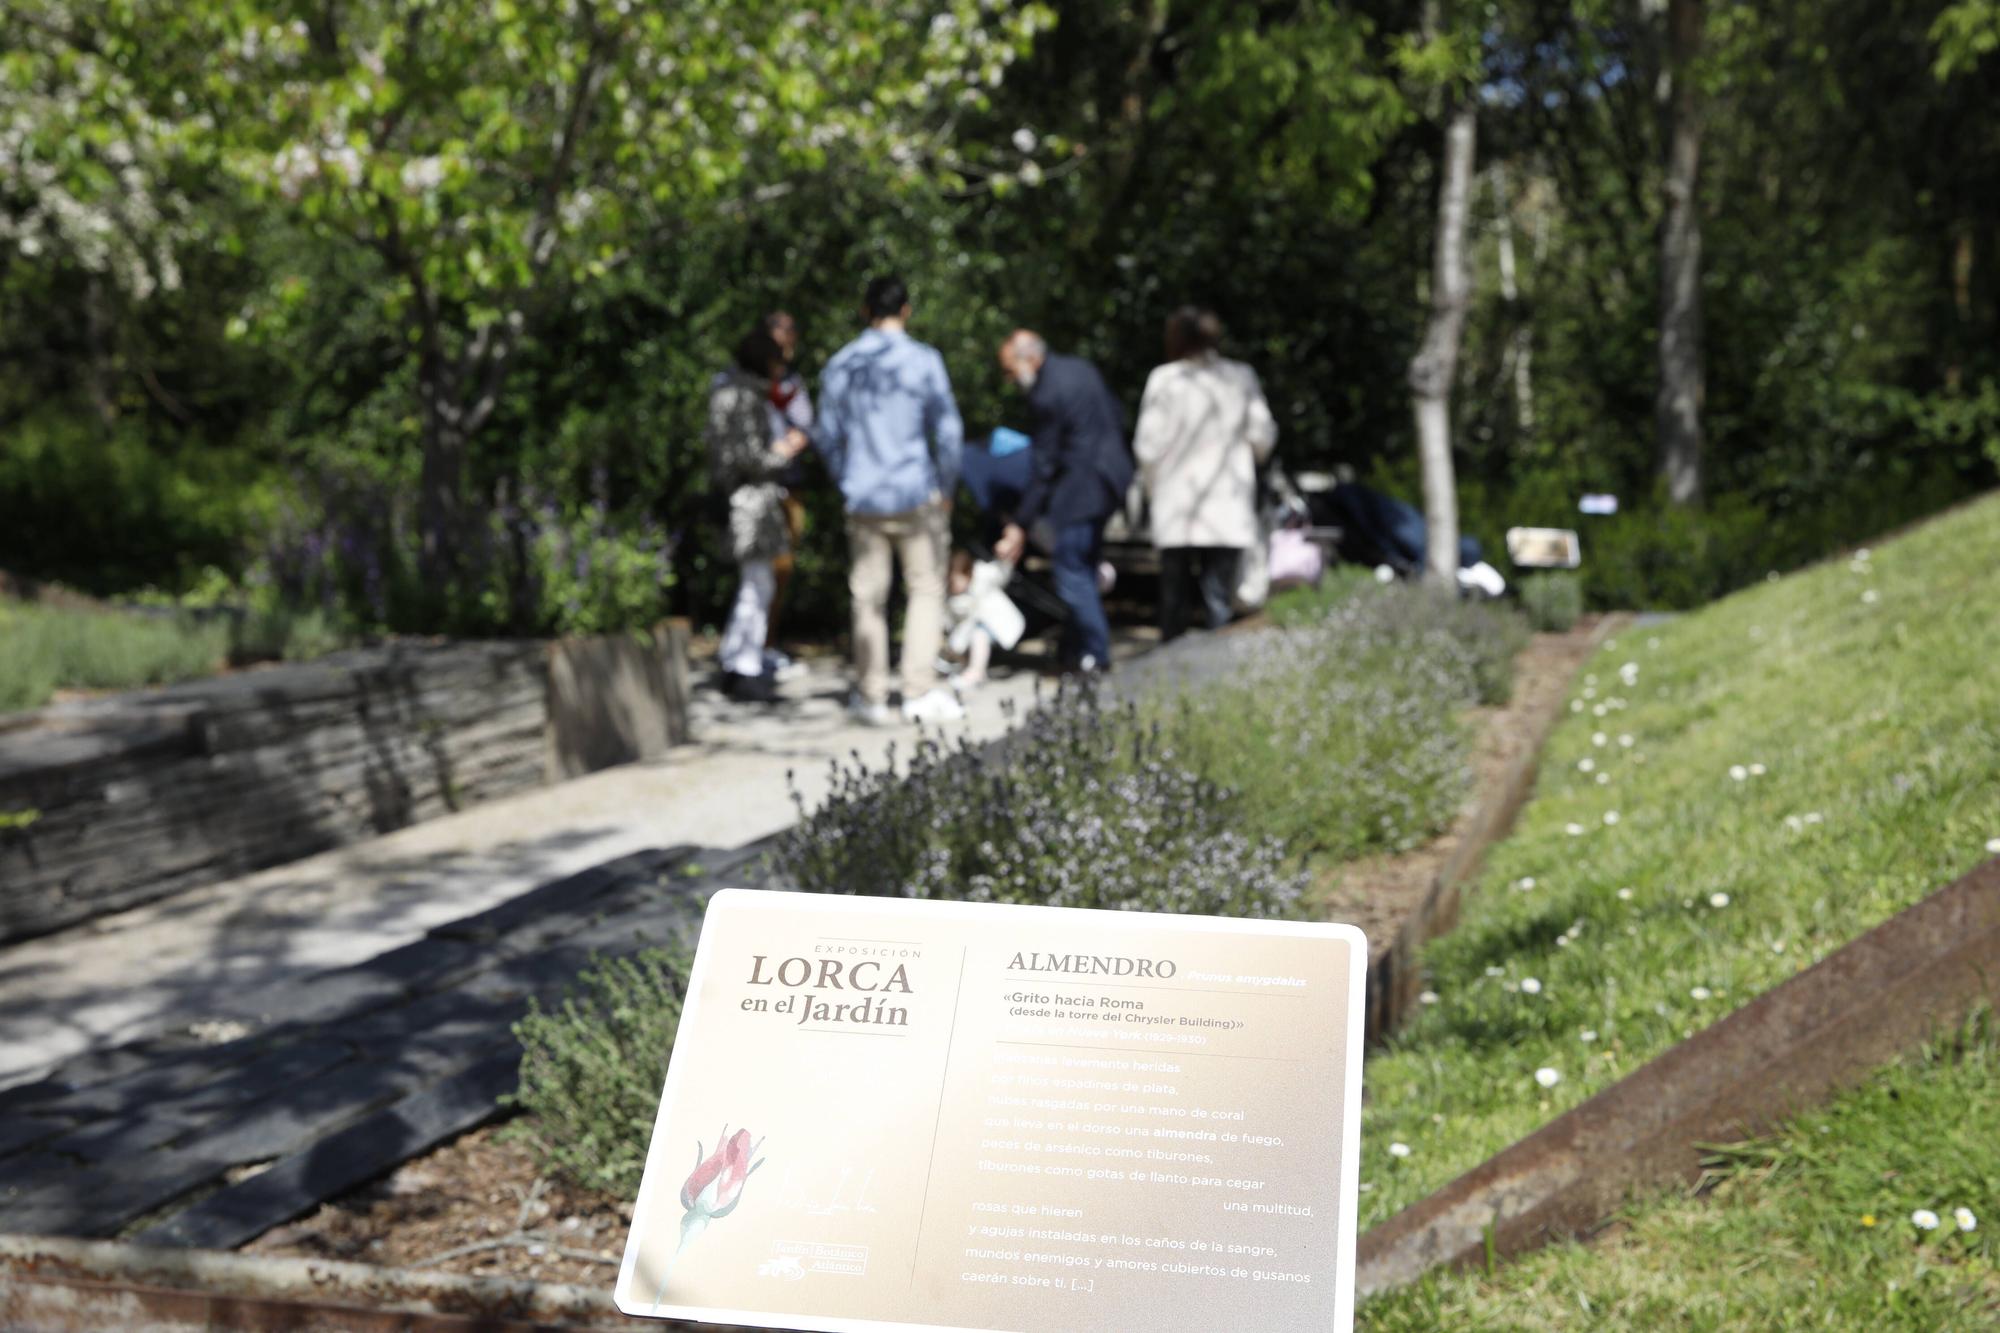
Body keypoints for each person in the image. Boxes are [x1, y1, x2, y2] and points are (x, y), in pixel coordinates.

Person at [812, 275, 966, 725]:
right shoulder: (923, 360)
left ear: (865, 310)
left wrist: (846, 480)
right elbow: (949, 431)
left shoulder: (842, 363)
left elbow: (827, 434)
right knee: (925, 589)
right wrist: (947, 488)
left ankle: (872, 696)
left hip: (863, 497)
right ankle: (917, 692)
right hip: (917, 493)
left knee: (868, 598)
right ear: (906, 309)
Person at [1131, 306, 1278, 640]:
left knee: (1174, 603)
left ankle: (1168, 677)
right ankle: (1216, 679)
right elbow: (1263, 437)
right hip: (1226, 505)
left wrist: (1155, 490)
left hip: (1176, 505)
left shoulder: (1165, 380)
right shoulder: (1240, 376)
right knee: (1218, 603)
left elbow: (1147, 447)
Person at [993, 330, 1134, 675]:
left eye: (1010, 370)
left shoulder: (1046, 394)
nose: (1009, 379)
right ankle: (1074, 651)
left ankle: (1097, 657)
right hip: (1113, 477)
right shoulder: (1081, 369)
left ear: (1031, 358)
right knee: (1084, 564)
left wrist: (1019, 523)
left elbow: (1043, 466)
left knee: (1071, 568)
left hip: (1081, 489)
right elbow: (1116, 414)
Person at [707, 329, 810, 702]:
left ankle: (737, 661)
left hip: (737, 499)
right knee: (758, 583)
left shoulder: (725, 390)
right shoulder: (745, 395)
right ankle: (743, 667)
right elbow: (749, 457)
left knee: (756, 582)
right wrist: (785, 450)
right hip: (750, 502)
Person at [759, 310, 813, 681]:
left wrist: (795, 440)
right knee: (757, 569)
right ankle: (749, 650)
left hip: (789, 483)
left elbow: (808, 424)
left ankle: (766, 644)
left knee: (781, 570)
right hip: (757, 484)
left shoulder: (794, 382)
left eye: (791, 332)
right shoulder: (748, 381)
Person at [945, 548, 1026, 688]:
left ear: (968, 573)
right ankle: (968, 668)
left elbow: (1001, 572)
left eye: (957, 580)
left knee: (979, 635)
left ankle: (976, 671)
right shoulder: (953, 598)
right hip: (970, 628)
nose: (955, 586)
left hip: (998, 622)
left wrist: (1008, 556)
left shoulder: (983, 575)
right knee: (964, 639)